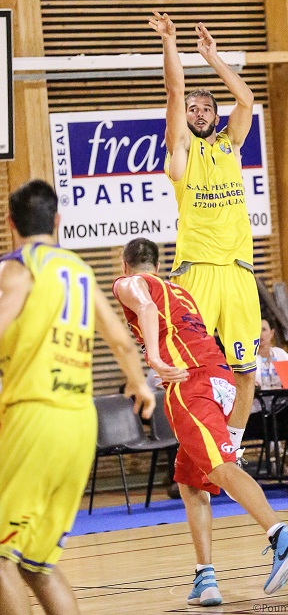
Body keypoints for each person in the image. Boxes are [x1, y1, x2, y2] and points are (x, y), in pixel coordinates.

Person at [0, 179, 187, 615]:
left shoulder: (17, 267)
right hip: (80, 423)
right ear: (58, 221)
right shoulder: (79, 270)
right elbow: (122, 341)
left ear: (10, 225)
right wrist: (140, 385)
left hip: (35, 415)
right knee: (36, 562)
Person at [113, 237, 288, 605]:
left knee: (220, 466)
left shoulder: (129, 283)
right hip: (220, 379)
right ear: (158, 264)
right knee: (191, 481)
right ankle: (205, 578)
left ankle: (281, 535)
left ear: (125, 265)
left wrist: (155, 359)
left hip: (190, 383)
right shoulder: (182, 293)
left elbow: (141, 303)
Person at [148, 11, 261, 460]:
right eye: (193, 109)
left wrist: (213, 58)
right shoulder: (181, 152)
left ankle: (229, 448)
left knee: (246, 371)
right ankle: (192, 446)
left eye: (206, 107)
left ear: (216, 116)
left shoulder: (229, 145)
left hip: (237, 272)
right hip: (195, 273)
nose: (198, 112)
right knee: (186, 367)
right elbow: (174, 90)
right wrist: (171, 42)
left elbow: (248, 98)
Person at [244, 316, 288, 476]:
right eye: (256, 330)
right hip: (257, 416)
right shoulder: (246, 357)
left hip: (281, 412)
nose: (260, 334)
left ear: (272, 333)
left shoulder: (281, 354)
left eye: (264, 330)